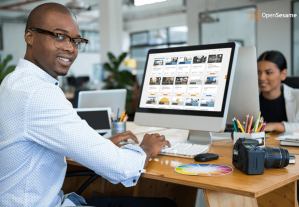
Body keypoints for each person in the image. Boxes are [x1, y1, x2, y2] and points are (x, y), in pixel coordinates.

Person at [0, 3, 177, 207]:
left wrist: (99, 146)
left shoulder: (13, 82)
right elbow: (122, 168)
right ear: (30, 36)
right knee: (165, 205)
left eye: (76, 41)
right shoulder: (38, 94)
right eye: (59, 36)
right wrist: (146, 148)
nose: (70, 48)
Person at [257, 50, 299, 132]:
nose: (261, 78)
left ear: (283, 74)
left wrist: (275, 126)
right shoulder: (249, 99)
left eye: (269, 72)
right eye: (258, 72)